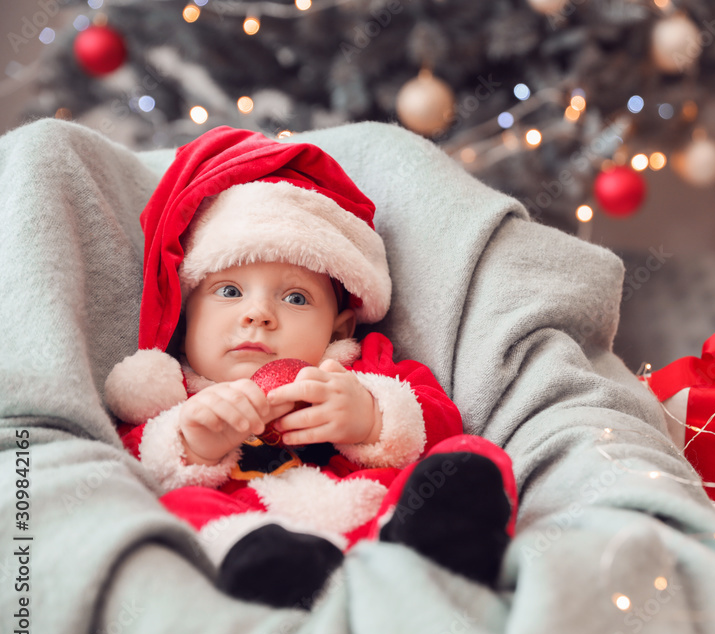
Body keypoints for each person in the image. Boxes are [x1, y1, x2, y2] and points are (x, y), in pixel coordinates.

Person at [103, 126, 518, 609]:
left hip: (368, 518)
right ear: (187, 318)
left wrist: (372, 418)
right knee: (176, 507)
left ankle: (432, 549)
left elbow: (439, 419)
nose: (257, 314)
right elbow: (138, 463)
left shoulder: (366, 368)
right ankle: (269, 569)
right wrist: (193, 444)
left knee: (470, 457)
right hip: (254, 533)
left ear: (340, 330)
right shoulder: (173, 393)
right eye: (230, 291)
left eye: (295, 297)